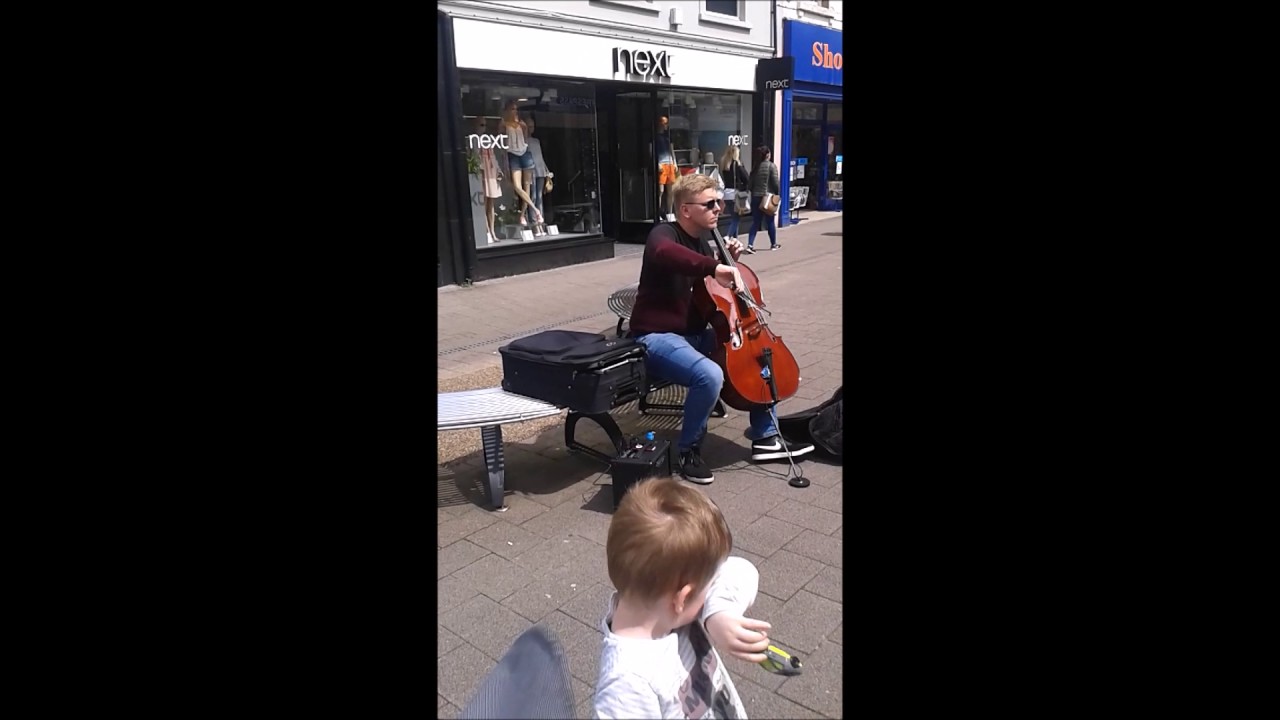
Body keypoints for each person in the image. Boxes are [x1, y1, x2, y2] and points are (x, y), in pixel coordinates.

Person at [628, 173, 814, 484]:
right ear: (686, 210)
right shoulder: (664, 234)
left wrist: (726, 259)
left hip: (696, 332)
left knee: (760, 358)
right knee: (710, 375)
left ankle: (766, 437)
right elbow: (668, 255)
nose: (719, 208)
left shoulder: (703, 239)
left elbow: (709, 292)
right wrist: (714, 265)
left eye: (720, 202)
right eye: (710, 204)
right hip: (657, 336)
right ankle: (688, 450)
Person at [594, 477, 770, 719]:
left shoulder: (658, 601)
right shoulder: (626, 688)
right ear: (682, 599)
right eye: (709, 586)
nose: (713, 589)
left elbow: (741, 570)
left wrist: (720, 614)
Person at [500, 101, 544, 232]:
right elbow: (502, 145)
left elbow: (525, 142)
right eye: (512, 109)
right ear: (507, 110)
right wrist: (505, 164)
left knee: (527, 186)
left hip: (525, 154)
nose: (515, 111)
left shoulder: (522, 124)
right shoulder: (503, 124)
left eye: (516, 109)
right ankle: (535, 210)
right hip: (512, 155)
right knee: (518, 187)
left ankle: (522, 215)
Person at [747, 145, 781, 252]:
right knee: (770, 221)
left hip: (756, 197)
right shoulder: (772, 166)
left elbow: (750, 184)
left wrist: (754, 192)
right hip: (767, 197)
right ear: (767, 155)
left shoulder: (756, 167)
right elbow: (775, 182)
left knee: (756, 222)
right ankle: (773, 244)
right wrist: (777, 193)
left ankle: (750, 245)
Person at [524, 115, 554, 238]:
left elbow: (540, 157)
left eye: (532, 126)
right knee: (533, 196)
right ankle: (534, 222)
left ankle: (540, 221)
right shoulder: (524, 141)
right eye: (529, 126)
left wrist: (547, 170)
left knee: (540, 197)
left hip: (540, 169)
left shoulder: (536, 141)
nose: (531, 128)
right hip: (531, 170)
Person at [719, 146, 753, 249]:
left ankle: (735, 241)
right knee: (736, 219)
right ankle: (728, 236)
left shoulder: (725, 165)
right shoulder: (737, 165)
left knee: (735, 217)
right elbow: (747, 178)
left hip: (727, 194)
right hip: (735, 195)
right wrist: (744, 187)